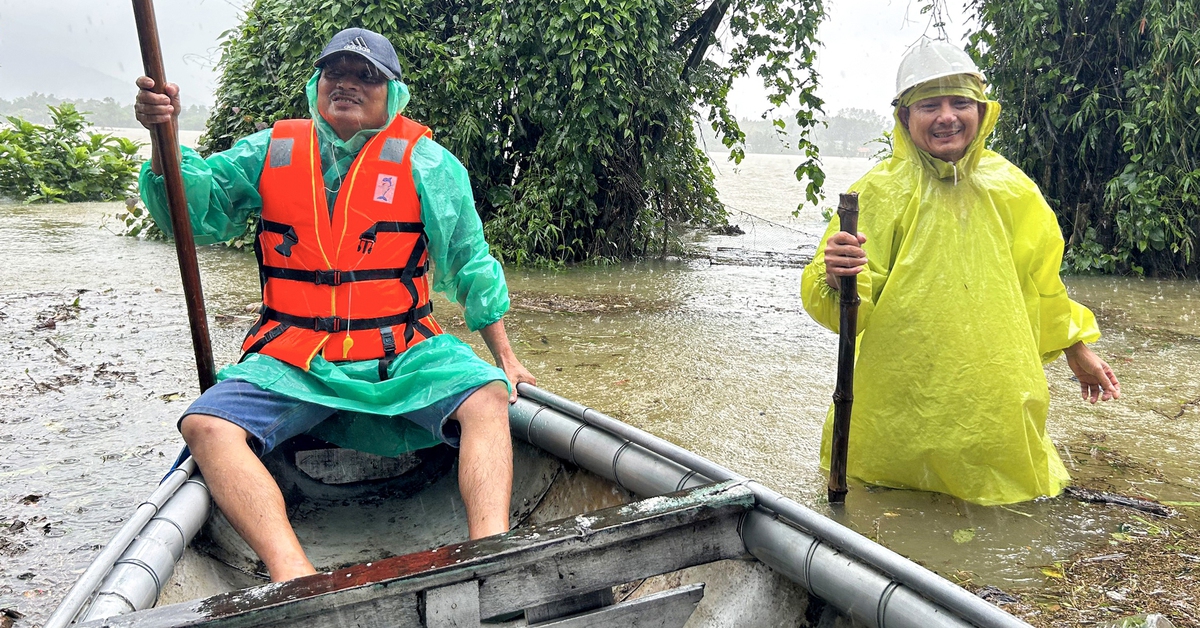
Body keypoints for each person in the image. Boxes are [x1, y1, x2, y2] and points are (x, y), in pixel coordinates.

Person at [134, 27, 535, 581]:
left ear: (393, 93)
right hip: (295, 355)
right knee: (205, 426)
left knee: (487, 395)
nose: (347, 83)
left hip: (400, 351)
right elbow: (194, 206)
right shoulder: (270, 150)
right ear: (316, 85)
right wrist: (165, 136)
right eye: (335, 73)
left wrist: (506, 358)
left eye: (366, 75)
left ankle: (491, 556)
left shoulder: (428, 163)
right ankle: (295, 576)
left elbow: (470, 264)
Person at [800, 38, 1120, 506]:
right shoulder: (878, 191)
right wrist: (837, 275)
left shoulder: (1013, 189)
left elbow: (1041, 284)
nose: (946, 117)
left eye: (960, 103)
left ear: (982, 112)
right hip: (899, 403)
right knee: (885, 505)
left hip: (995, 401)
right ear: (905, 117)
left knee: (1013, 505)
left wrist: (1076, 348)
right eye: (930, 105)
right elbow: (851, 304)